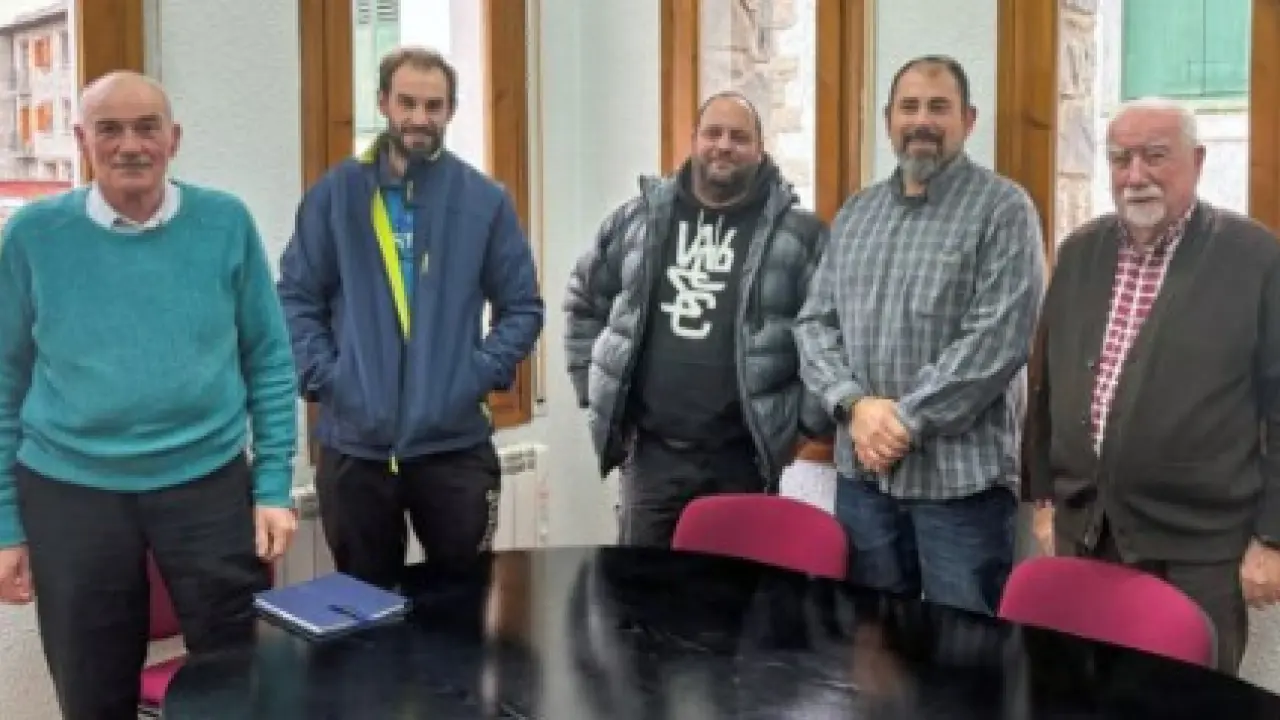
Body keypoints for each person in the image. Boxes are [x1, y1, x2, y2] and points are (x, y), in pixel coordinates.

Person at [0, 71, 298, 719]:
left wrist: (274, 484)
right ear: (82, 140)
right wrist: (5, 525)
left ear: (174, 139)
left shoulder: (225, 223)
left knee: (238, 684)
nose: (130, 145)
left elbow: (270, 359)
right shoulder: (32, 238)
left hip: (208, 482)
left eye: (146, 128)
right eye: (109, 129)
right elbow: (5, 381)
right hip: (70, 492)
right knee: (92, 691)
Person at [1024, 97, 1280, 674]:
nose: (1135, 175)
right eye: (1121, 159)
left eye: (1155, 156)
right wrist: (1045, 501)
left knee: (1188, 704)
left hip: (1199, 551)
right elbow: (1046, 383)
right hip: (1086, 534)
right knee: (1081, 694)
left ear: (1198, 160)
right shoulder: (1079, 253)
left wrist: (1273, 539)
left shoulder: (1256, 259)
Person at [278, 47, 543, 589]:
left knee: (461, 609)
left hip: (454, 449)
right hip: (355, 449)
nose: (419, 118)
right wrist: (329, 378)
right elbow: (297, 298)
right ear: (383, 103)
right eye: (407, 103)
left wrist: (475, 374)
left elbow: (522, 307)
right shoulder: (335, 196)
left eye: (433, 106)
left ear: (451, 111)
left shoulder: (484, 201)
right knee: (364, 611)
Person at [794, 55, 1045, 615]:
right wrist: (854, 405)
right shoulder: (857, 215)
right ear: (889, 119)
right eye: (909, 107)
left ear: (968, 120)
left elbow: (997, 341)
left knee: (963, 652)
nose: (922, 121)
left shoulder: (1004, 210)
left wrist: (903, 422)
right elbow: (814, 325)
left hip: (962, 490)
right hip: (864, 482)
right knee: (870, 643)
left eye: (939, 107)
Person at [564, 91, 831, 547]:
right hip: (652, 458)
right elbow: (584, 302)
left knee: (734, 588)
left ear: (760, 149)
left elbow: (825, 331)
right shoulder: (637, 221)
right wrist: (597, 393)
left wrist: (800, 426)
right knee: (642, 586)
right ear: (693, 140)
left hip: (742, 459)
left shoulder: (800, 236)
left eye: (739, 137)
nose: (723, 145)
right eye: (713, 133)